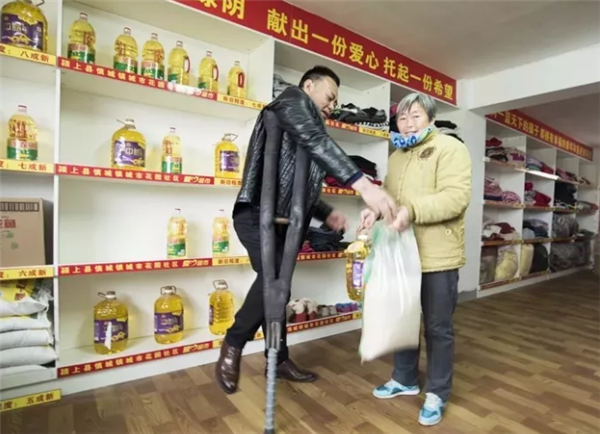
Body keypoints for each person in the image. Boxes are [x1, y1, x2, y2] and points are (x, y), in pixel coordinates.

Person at [215, 65, 397, 395]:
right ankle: (233, 343)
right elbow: (313, 141)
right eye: (330, 97)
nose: (332, 106)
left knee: (277, 287)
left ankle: (278, 359)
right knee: (275, 285)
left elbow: (295, 186)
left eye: (336, 102)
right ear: (309, 86)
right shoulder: (291, 100)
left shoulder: (308, 126)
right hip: (256, 216)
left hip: (283, 221)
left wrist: (326, 213)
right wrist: (363, 185)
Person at [359, 93, 472, 426]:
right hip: (401, 251)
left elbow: (456, 198)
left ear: (431, 118)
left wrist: (412, 211)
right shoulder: (397, 156)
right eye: (402, 118)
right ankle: (404, 378)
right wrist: (375, 210)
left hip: (438, 254)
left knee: (437, 326)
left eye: (416, 116)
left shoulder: (450, 148)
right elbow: (390, 197)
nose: (408, 124)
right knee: (403, 317)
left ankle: (438, 391)